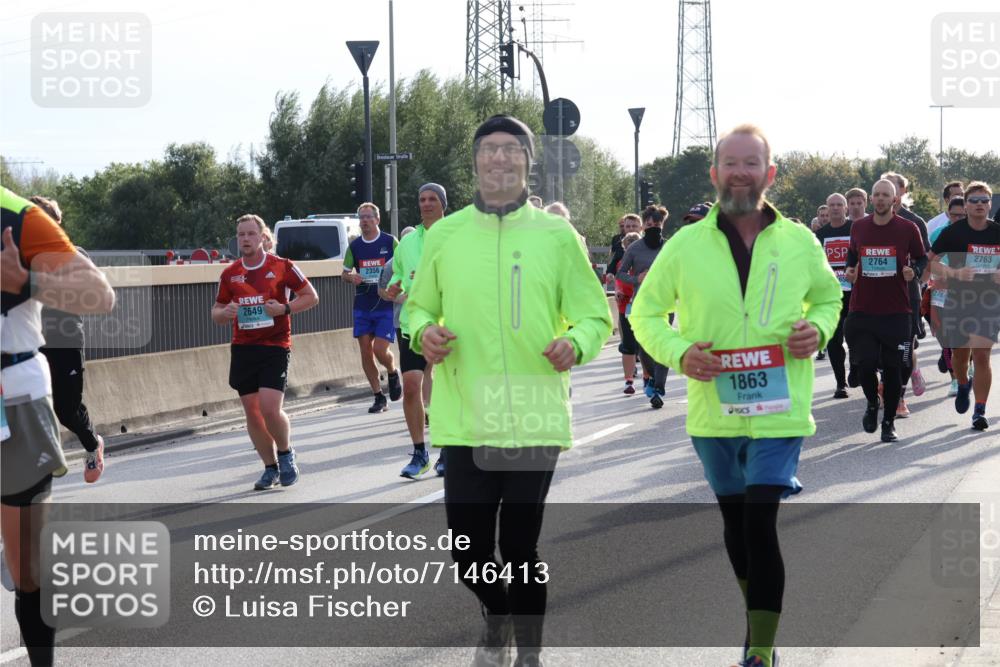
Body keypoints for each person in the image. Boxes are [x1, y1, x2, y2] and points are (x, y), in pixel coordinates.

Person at [630, 124, 843, 667]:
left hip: (779, 409)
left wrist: (816, 329)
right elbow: (644, 313)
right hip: (714, 412)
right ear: (716, 173)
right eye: (731, 163)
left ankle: (761, 652)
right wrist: (679, 354)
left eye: (753, 163)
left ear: (770, 174)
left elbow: (828, 299)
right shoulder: (685, 244)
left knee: (759, 519)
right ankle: (757, 624)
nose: (741, 172)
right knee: (734, 524)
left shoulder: (799, 240)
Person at [406, 114, 612, 667]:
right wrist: (422, 330)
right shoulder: (446, 235)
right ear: (474, 162)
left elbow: (597, 315)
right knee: (468, 553)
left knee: (520, 549)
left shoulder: (555, 235)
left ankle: (529, 656)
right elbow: (418, 305)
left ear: (527, 160)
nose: (499, 158)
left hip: (533, 415)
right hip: (466, 416)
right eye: (488, 150)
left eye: (511, 150)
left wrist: (578, 342)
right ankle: (495, 617)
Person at [2, 186, 115, 666]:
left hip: (13, 395)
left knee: (26, 567)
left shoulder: (17, 215)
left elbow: (99, 295)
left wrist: (26, 282)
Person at [212, 214, 319, 490]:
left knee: (271, 409)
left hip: (275, 345)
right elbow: (216, 312)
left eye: (250, 234)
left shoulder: (281, 267)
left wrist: (284, 308)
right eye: (240, 235)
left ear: (262, 237)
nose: (245, 239)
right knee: (253, 413)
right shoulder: (230, 273)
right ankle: (269, 467)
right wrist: (226, 312)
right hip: (244, 347)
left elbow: (311, 296)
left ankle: (285, 453)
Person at [843, 179, 927, 442]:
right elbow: (852, 256)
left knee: (894, 370)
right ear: (871, 199)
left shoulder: (907, 228)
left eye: (885, 195)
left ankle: (888, 422)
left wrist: (916, 272)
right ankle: (871, 402)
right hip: (863, 310)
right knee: (865, 364)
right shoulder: (859, 227)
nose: (880, 199)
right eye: (876, 195)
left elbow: (922, 257)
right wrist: (850, 270)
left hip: (896, 312)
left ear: (894, 200)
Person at [29, 196, 106, 482]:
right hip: (30, 343)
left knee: (67, 407)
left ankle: (92, 443)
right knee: (31, 401)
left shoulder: (74, 254)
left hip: (65, 340)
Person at [385, 183, 449, 479]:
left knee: (447, 389)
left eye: (432, 199)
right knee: (411, 387)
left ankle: (447, 449)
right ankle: (420, 453)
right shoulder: (407, 244)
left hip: (450, 325)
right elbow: (395, 278)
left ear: (442, 204)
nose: (426, 204)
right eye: (422, 199)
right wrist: (393, 289)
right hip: (413, 326)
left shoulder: (456, 236)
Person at [929, 181, 999, 431]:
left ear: (990, 204)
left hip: (989, 301)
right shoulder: (953, 233)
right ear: (966, 204)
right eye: (974, 200)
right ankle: (962, 382)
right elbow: (930, 263)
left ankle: (979, 411)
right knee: (960, 354)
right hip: (958, 300)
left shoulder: (997, 232)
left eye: (984, 201)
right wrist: (955, 273)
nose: (980, 205)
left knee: (981, 353)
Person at [880, 171, 931, 415]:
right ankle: (887, 383)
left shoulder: (915, 222)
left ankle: (899, 396)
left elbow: (925, 258)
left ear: (902, 192)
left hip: (907, 294)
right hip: (876, 295)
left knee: (905, 347)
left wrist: (917, 274)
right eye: (882, 188)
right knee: (880, 346)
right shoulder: (872, 222)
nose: (887, 192)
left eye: (893, 188)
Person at [342, 203, 402, 414]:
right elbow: (344, 273)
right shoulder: (355, 246)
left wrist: (395, 284)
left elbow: (403, 265)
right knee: (366, 351)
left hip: (386, 302)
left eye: (368, 217)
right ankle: (378, 396)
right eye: (362, 218)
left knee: (379, 350)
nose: (365, 221)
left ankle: (392, 371)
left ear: (377, 220)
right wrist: (351, 277)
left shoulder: (390, 242)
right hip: (362, 304)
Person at [617, 205, 671, 409]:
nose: (653, 228)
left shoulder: (669, 247)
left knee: (662, 345)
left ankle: (658, 388)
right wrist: (636, 278)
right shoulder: (634, 248)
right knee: (644, 347)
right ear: (644, 225)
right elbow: (621, 273)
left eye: (657, 224)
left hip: (665, 303)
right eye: (649, 225)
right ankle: (649, 378)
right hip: (642, 304)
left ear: (662, 225)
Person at [814, 192, 853, 397]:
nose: (836, 208)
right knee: (834, 341)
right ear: (827, 209)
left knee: (856, 337)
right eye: (832, 205)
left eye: (839, 204)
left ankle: (855, 368)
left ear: (845, 208)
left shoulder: (855, 230)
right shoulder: (820, 236)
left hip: (856, 294)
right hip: (831, 296)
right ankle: (841, 383)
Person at [928, 196, 967, 397]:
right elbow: (928, 261)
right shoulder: (938, 233)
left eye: (963, 215)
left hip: (971, 293)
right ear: (948, 215)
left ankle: (965, 366)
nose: (959, 219)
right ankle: (954, 378)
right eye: (954, 215)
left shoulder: (978, 234)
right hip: (941, 289)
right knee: (945, 335)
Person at [615, 231, 643, 394]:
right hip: (625, 306)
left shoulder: (646, 261)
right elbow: (618, 280)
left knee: (643, 344)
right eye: (628, 246)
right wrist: (618, 290)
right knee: (628, 345)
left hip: (643, 306)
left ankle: (649, 378)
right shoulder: (621, 264)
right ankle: (629, 381)